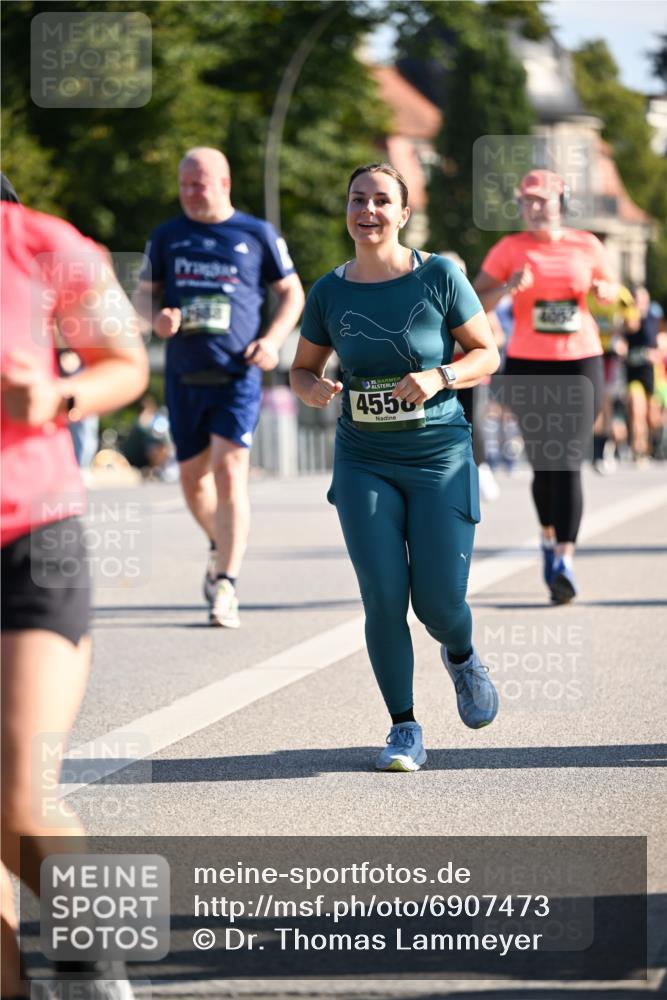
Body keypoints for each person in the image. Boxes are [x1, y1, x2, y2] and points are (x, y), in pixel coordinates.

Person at [290, 163, 500, 773]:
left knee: (437, 605)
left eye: (383, 200)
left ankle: (461, 656)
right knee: (384, 596)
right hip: (364, 459)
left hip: (439, 457)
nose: (369, 210)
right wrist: (309, 388)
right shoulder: (330, 292)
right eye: (359, 199)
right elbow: (302, 368)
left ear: (403, 214)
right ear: (348, 210)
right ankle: (404, 728)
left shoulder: (439, 276)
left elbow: (487, 353)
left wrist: (442, 375)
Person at [1, 189, 149, 997]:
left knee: (19, 801)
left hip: (28, 541)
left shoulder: (40, 242)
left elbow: (124, 365)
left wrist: (58, 396)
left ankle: (97, 960)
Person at [135, 147, 304, 627]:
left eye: (200, 184)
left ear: (224, 184)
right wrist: (157, 319)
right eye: (184, 184)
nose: (190, 193)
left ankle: (226, 582)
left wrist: (272, 341)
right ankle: (220, 542)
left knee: (230, 471)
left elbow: (292, 292)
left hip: (238, 373)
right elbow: (144, 297)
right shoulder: (167, 236)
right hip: (185, 373)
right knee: (192, 481)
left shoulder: (255, 233)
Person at [474, 168, 617, 603]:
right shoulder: (508, 249)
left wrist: (605, 291)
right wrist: (506, 288)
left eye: (542, 199)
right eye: (527, 200)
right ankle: (548, 536)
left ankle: (564, 559)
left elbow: (610, 289)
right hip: (528, 364)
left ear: (561, 202)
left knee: (568, 458)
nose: (534, 208)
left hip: (580, 361)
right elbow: (475, 299)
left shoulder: (586, 244)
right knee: (543, 462)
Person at [623, 286, 664, 463]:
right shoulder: (626, 321)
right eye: (635, 300)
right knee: (635, 410)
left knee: (652, 417)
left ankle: (655, 442)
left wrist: (658, 352)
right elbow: (619, 339)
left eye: (641, 300)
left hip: (652, 373)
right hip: (633, 372)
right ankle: (638, 450)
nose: (639, 304)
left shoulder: (655, 319)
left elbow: (662, 341)